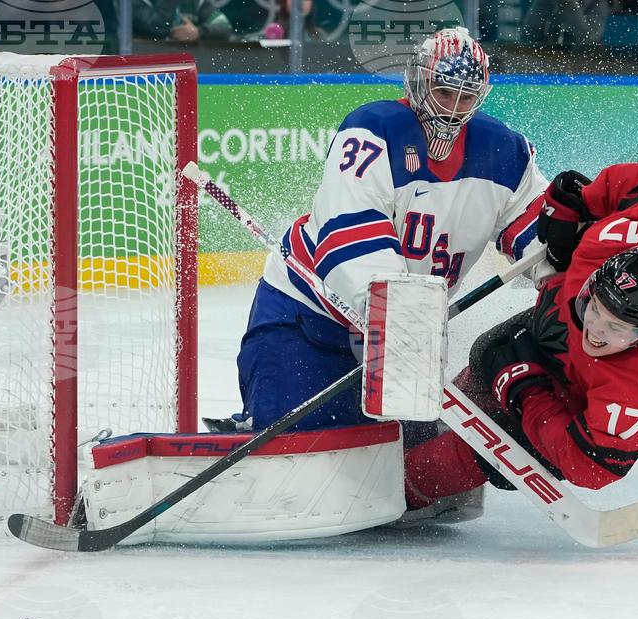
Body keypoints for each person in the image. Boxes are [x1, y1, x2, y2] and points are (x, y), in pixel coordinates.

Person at [227, 27, 552, 437]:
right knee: (294, 445)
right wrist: (399, 315)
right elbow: (349, 234)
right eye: (444, 92)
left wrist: (584, 278)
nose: (453, 110)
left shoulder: (504, 152)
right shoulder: (373, 130)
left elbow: (542, 241)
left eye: (466, 97)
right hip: (310, 317)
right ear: (418, 83)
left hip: (405, 338)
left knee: (414, 465)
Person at [400, 162, 638, 519]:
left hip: (571, 395)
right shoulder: (614, 239)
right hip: (553, 322)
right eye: (594, 307)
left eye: (619, 329)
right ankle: (428, 425)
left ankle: (405, 488)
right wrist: (583, 203)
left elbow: (589, 468)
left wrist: (527, 391)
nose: (597, 331)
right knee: (488, 353)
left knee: (496, 444)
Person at [133, 0, 233, 42]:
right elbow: (158, 28)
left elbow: (225, 26)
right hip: (149, 64)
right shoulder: (140, 2)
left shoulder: (195, 2)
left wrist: (199, 32)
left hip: (189, 63)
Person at [521, 0, 609, 46]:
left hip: (584, 62)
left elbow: (589, 36)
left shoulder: (598, 2)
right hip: (549, 59)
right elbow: (529, 32)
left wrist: (568, 3)